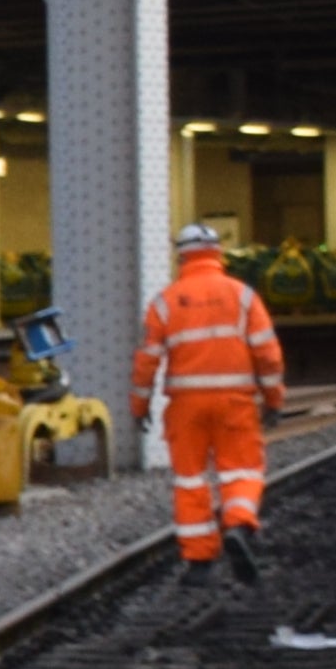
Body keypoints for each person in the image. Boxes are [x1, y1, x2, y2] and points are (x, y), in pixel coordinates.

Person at [133, 219, 285, 576]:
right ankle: (238, 523)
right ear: (218, 253)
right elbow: (269, 355)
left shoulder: (165, 302)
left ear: (181, 258)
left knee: (190, 480)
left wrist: (138, 406)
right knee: (242, 469)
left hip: (186, 407)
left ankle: (199, 560)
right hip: (235, 402)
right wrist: (273, 398)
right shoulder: (243, 296)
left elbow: (146, 361)